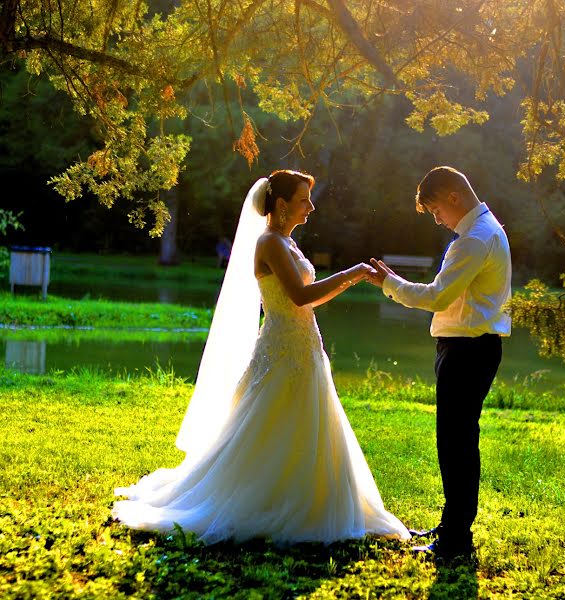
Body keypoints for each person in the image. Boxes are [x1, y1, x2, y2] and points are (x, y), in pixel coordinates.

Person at [113, 170, 411, 546]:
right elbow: (300, 297)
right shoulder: (269, 243)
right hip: (282, 349)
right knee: (268, 422)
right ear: (282, 205)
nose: (311, 207)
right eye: (304, 200)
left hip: (304, 344)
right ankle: (267, 499)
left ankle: (308, 498)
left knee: (307, 423)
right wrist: (351, 273)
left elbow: (308, 299)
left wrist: (350, 280)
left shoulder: (288, 244)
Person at [366, 166, 512, 562]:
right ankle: (452, 527)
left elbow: (436, 297)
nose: (437, 219)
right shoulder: (482, 230)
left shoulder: (475, 238)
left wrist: (389, 283)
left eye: (435, 210)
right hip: (470, 347)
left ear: (453, 197)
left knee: (456, 445)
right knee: (457, 441)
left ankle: (455, 542)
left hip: (467, 350)